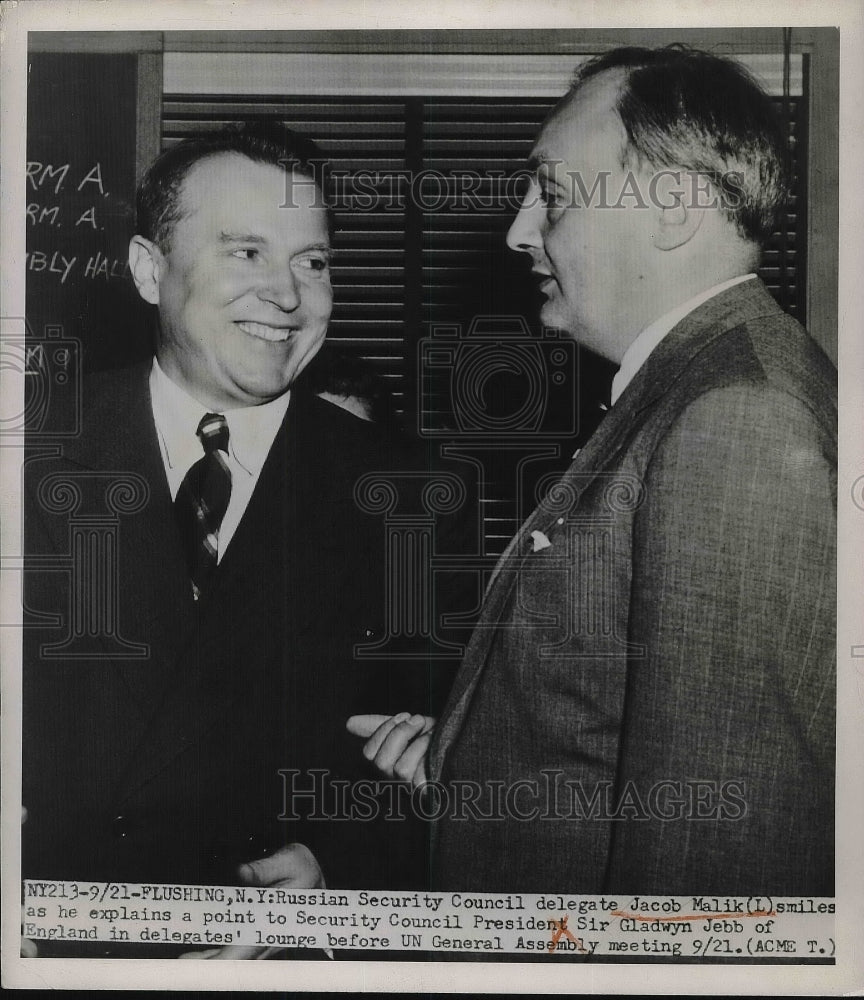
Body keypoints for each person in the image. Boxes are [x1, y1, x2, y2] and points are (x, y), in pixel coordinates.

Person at [351, 46, 836, 898]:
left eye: (554, 192)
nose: (517, 230)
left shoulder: (734, 418)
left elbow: (712, 855)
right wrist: (477, 754)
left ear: (674, 207)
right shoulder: (698, 384)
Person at [22, 122, 452, 957]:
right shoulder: (24, 453)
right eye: (246, 252)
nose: (289, 296)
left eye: (313, 261)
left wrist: (336, 867)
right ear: (150, 270)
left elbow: (439, 769)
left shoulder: (410, 498)